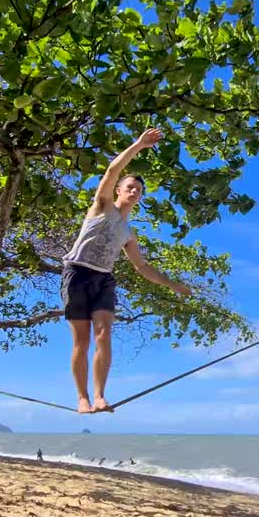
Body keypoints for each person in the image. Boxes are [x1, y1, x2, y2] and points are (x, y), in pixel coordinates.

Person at [62, 128, 191, 414]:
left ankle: (99, 396)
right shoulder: (101, 206)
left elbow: (142, 267)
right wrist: (139, 145)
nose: (134, 191)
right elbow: (112, 169)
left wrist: (174, 286)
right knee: (81, 341)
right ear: (119, 190)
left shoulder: (128, 233)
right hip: (77, 274)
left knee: (104, 335)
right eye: (130, 187)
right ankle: (82, 398)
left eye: (139, 190)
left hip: (103, 278)